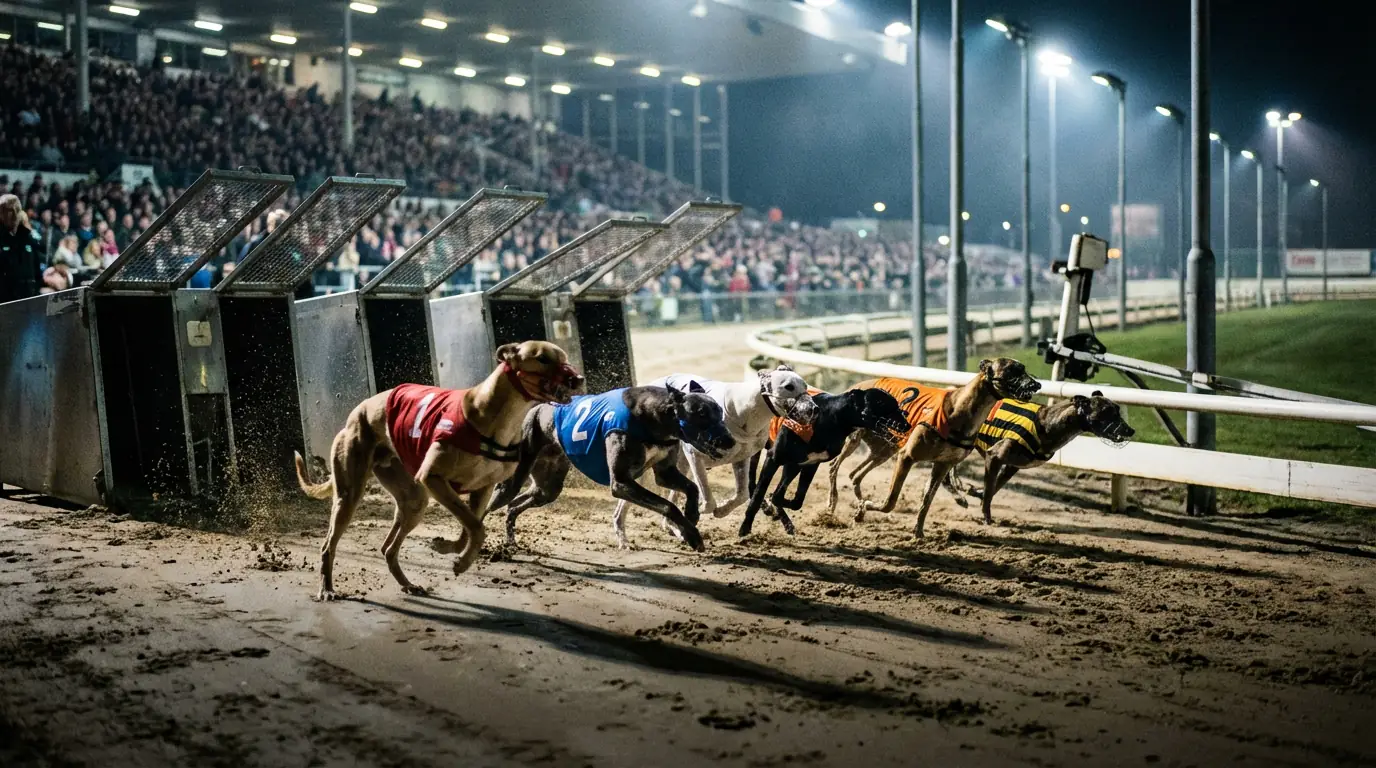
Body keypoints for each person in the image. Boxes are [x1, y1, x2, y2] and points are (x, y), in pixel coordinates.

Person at [0, 194, 42, 303]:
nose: (14, 214)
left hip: (28, 299)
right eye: (9, 210)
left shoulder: (28, 238)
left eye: (17, 209)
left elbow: (36, 270)